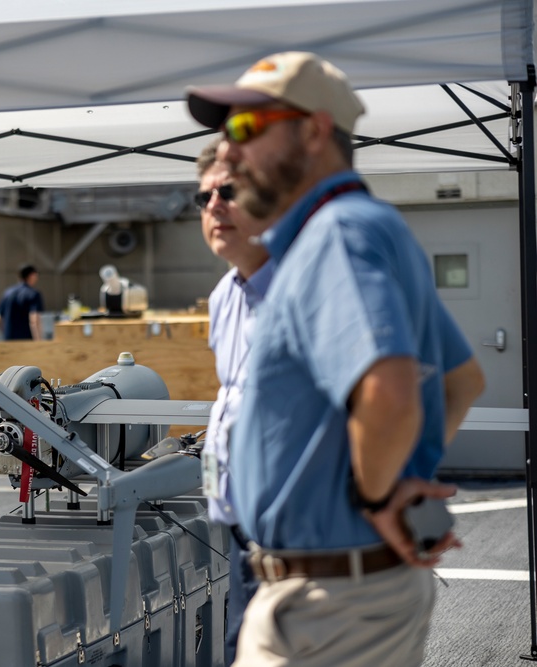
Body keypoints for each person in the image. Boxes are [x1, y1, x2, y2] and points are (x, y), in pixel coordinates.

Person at [187, 52, 485, 666]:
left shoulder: (335, 235)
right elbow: (462, 380)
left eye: (246, 128)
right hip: (334, 591)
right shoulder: (358, 228)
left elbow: (389, 394)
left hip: (330, 599)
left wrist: (376, 500)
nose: (230, 149)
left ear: (314, 131)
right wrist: (398, 479)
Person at [195, 138, 274, 665]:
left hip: (311, 537)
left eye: (229, 192)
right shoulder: (225, 295)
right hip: (244, 529)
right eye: (204, 198)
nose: (214, 207)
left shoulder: (309, 287)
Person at [0, 264, 45, 340]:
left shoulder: (7, 293)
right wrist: (38, 341)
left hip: (9, 341)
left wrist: (8, 334)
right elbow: (34, 320)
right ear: (32, 275)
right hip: (26, 342)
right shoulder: (33, 294)